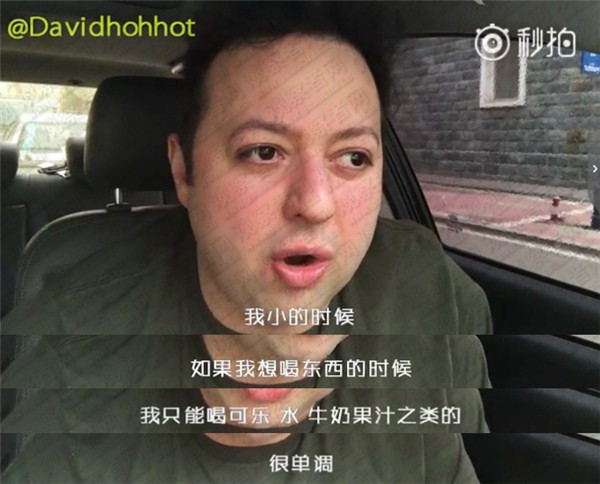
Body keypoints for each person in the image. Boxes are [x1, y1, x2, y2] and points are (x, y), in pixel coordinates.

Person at [1, 2, 492, 482]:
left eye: (353, 157)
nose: (316, 203)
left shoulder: (418, 280)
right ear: (183, 171)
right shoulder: (84, 309)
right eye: (263, 152)